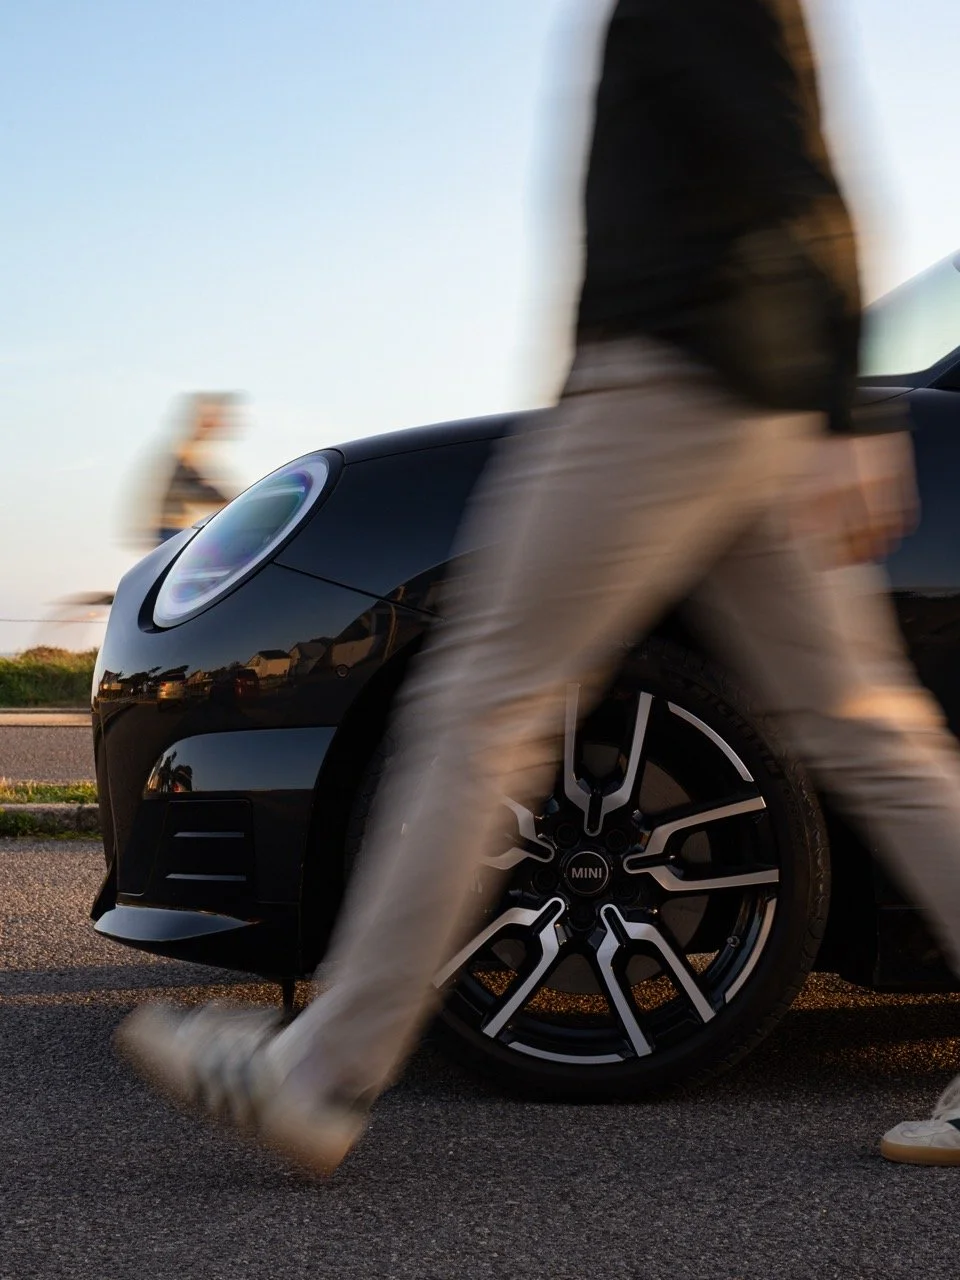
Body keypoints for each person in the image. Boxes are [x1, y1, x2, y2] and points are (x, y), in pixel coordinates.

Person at [115, 0, 960, 1172]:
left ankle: (320, 1069)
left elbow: (780, 151)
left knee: (488, 701)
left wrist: (843, 410)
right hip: (731, 378)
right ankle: (323, 1064)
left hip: (675, 380)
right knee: (867, 727)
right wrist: (830, 405)